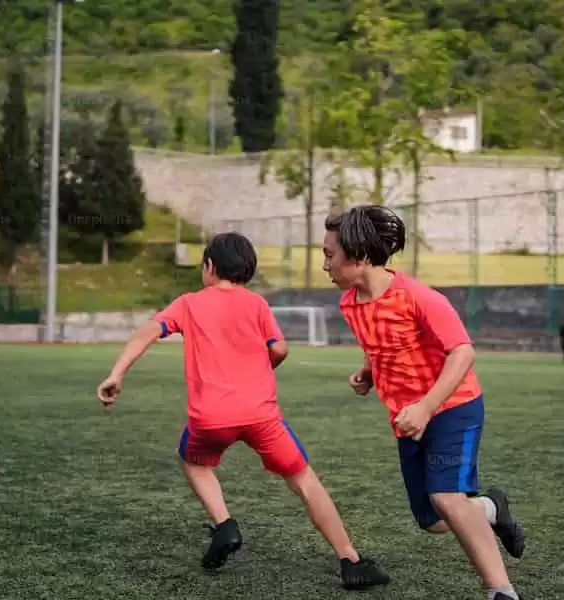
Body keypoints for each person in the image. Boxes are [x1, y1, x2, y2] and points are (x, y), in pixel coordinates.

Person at [96, 232, 390, 590]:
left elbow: (147, 332)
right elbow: (280, 349)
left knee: (192, 460)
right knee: (304, 480)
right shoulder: (257, 305)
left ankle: (224, 525)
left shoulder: (189, 303)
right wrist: (258, 367)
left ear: (209, 266)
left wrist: (117, 374)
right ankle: (350, 560)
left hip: (210, 418)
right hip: (261, 416)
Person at [322, 205, 527, 600]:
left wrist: (427, 406)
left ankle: (501, 591)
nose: (325, 264)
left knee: (447, 498)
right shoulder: (349, 303)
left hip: (453, 408)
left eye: (330, 255)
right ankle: (490, 509)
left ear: (361, 257)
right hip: (407, 419)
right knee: (433, 520)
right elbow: (380, 346)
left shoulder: (418, 297)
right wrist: (368, 371)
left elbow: (463, 353)